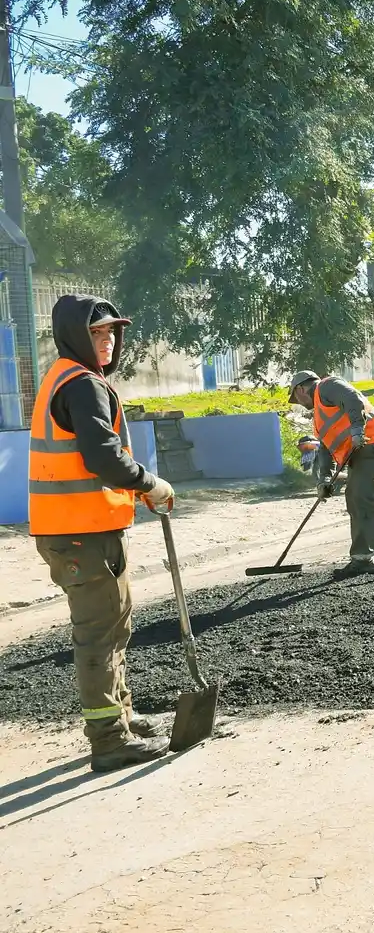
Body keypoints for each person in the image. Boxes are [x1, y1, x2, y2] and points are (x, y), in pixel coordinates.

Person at [30, 295, 176, 772]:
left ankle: (123, 717)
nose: (109, 341)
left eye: (112, 332)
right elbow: (103, 458)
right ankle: (109, 741)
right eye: (97, 333)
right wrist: (150, 483)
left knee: (115, 626)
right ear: (76, 336)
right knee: (99, 635)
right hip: (81, 533)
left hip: (85, 528)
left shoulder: (64, 377)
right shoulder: (81, 384)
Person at [287, 370, 374, 572]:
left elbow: (352, 398)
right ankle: (361, 557)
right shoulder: (319, 420)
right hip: (360, 454)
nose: (299, 402)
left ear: (301, 388)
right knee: (353, 498)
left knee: (364, 495)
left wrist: (358, 429)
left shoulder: (327, 386)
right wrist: (325, 480)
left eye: (296, 397)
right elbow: (326, 451)